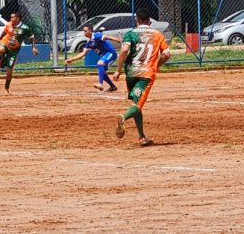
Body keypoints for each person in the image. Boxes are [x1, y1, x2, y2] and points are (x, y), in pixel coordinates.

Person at [113, 8, 171, 146]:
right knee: (137, 105)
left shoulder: (130, 34)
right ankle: (123, 117)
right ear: (150, 21)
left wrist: (118, 70)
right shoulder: (157, 34)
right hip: (146, 74)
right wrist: (156, 65)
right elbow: (167, 54)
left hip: (131, 73)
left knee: (136, 104)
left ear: (136, 19)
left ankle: (142, 137)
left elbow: (124, 50)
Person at [65, 26, 120, 92]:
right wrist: (71, 59)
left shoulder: (96, 35)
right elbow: (83, 54)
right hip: (104, 55)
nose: (84, 33)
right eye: (84, 31)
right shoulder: (89, 42)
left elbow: (107, 37)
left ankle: (100, 84)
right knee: (102, 72)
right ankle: (113, 87)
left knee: (100, 63)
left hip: (111, 53)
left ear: (90, 31)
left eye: (85, 31)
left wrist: (117, 39)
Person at [0, 12, 38, 95]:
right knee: (0, 50)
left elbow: (31, 37)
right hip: (5, 43)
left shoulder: (25, 28)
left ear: (18, 18)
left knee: (9, 71)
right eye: (10, 18)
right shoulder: (8, 24)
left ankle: (6, 89)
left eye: (12, 18)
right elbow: (4, 31)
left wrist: (34, 47)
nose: (11, 19)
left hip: (14, 50)